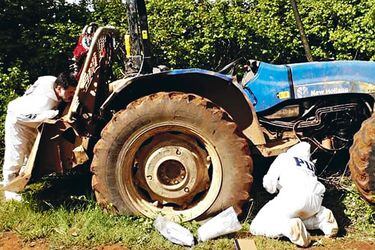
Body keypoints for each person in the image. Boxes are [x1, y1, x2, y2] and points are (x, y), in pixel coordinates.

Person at [1, 72, 77, 201]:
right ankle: (10, 191)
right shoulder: (43, 100)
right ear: (59, 88)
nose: (71, 95)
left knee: (29, 158)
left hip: (33, 125)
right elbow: (25, 116)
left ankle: (19, 185)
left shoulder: (52, 82)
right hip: (19, 121)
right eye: (70, 92)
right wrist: (51, 114)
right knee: (16, 154)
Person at [250, 142, 338, 247]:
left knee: (256, 226)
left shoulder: (284, 157)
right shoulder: (310, 164)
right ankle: (322, 219)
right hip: (316, 201)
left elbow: (269, 182)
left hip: (294, 197)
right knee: (297, 216)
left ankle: (288, 228)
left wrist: (274, 190)